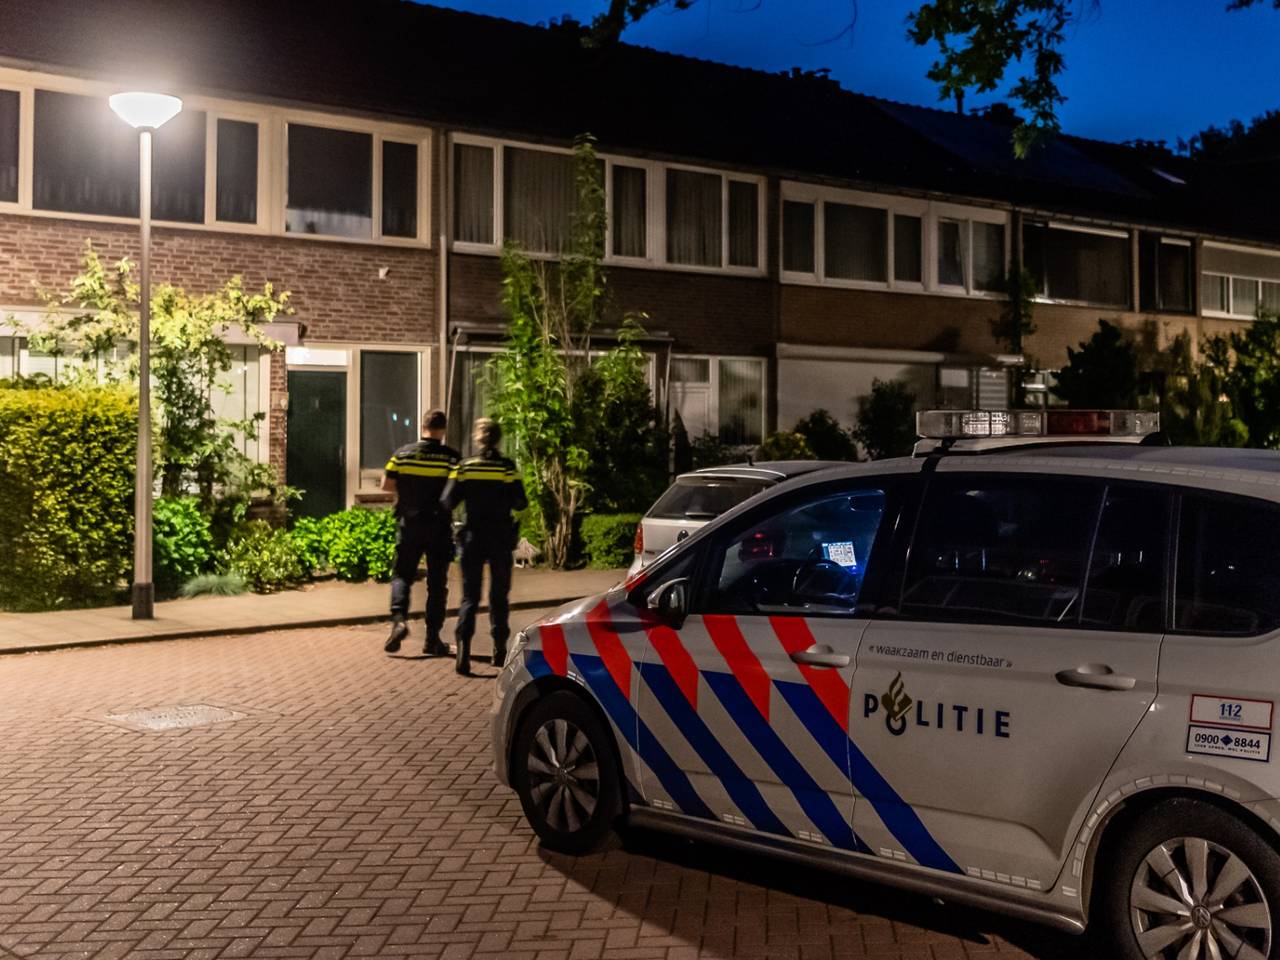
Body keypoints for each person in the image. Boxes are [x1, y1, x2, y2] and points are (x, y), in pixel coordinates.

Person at [441, 418, 527, 675]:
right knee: (499, 596)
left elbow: (447, 501)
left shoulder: (464, 466)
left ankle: (463, 649)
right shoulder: (507, 468)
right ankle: (499, 649)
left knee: (470, 596)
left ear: (477, 439)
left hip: (472, 537)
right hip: (500, 537)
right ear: (498, 439)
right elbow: (521, 502)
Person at [382, 408, 460, 656]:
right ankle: (432, 639)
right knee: (437, 584)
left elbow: (386, 485)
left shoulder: (402, 455)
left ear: (422, 426)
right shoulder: (451, 458)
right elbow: (457, 491)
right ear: (442, 430)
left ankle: (399, 620)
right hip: (439, 528)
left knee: (402, 575)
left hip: (410, 525)